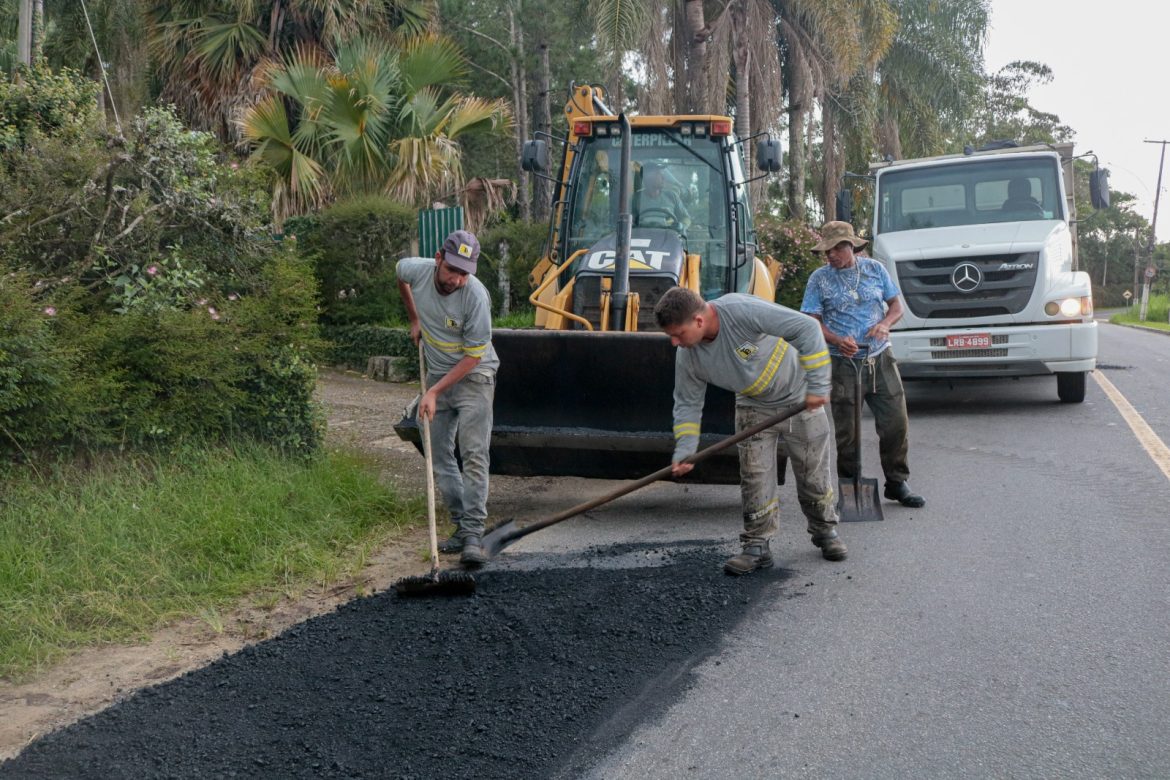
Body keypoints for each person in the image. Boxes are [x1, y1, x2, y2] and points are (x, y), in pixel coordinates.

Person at [654, 286, 846, 575]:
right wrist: (685, 449)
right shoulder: (689, 355)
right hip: (752, 406)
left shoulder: (741, 311)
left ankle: (824, 530)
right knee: (755, 476)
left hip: (799, 397)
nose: (674, 342)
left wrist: (819, 385)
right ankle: (757, 544)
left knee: (812, 471)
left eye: (678, 334)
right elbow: (687, 404)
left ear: (698, 321)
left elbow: (807, 328)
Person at [800, 221, 925, 509]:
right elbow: (812, 321)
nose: (830, 255)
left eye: (835, 249)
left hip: (880, 358)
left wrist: (884, 324)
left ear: (851, 247)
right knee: (848, 432)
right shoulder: (819, 279)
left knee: (896, 423)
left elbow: (896, 306)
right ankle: (850, 486)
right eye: (826, 250)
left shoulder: (875, 270)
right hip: (844, 363)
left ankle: (897, 482)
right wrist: (835, 339)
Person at [396, 230, 499, 566]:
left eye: (464, 272)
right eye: (452, 269)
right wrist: (414, 319)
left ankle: (473, 534)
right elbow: (400, 275)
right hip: (439, 375)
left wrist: (433, 392)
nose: (456, 279)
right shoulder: (417, 269)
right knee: (438, 455)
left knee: (473, 454)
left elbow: (472, 357)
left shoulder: (476, 297)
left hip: (475, 377)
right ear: (439, 258)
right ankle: (460, 524)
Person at [636, 163, 691, 233]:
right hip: (641, 239)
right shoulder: (636, 198)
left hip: (669, 238)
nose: (663, 178)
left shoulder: (671, 196)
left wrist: (682, 225)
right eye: (658, 174)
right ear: (648, 177)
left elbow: (686, 218)